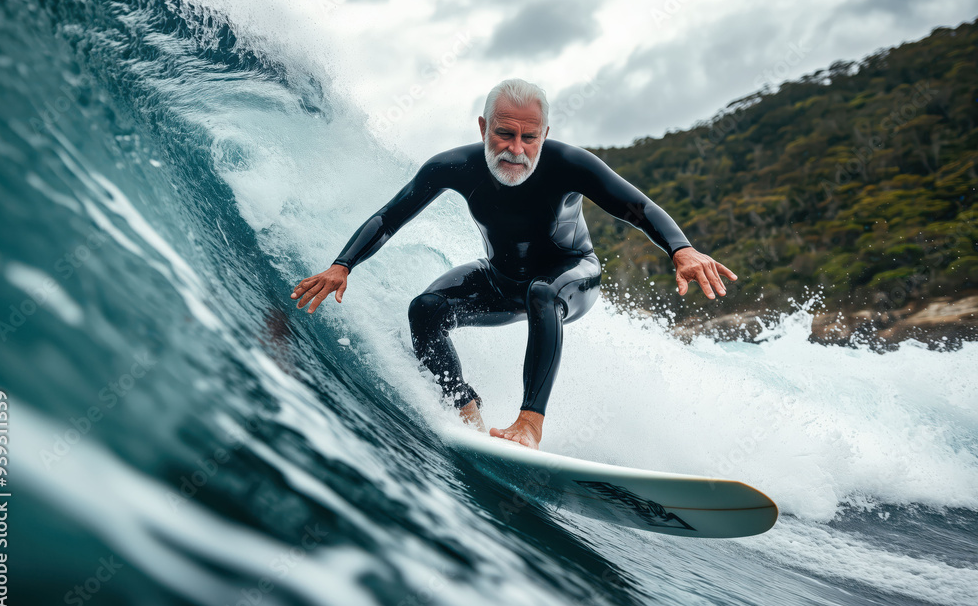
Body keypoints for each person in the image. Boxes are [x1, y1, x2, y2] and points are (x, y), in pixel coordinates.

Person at [291, 78, 736, 450]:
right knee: (425, 309)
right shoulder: (454, 167)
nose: (516, 149)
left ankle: (530, 425)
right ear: (484, 127)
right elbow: (390, 216)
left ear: (545, 132)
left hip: (571, 276)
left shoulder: (568, 163)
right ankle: (467, 414)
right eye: (504, 134)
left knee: (542, 292)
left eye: (530, 137)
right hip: (501, 280)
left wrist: (681, 249)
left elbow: (635, 207)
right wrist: (343, 264)